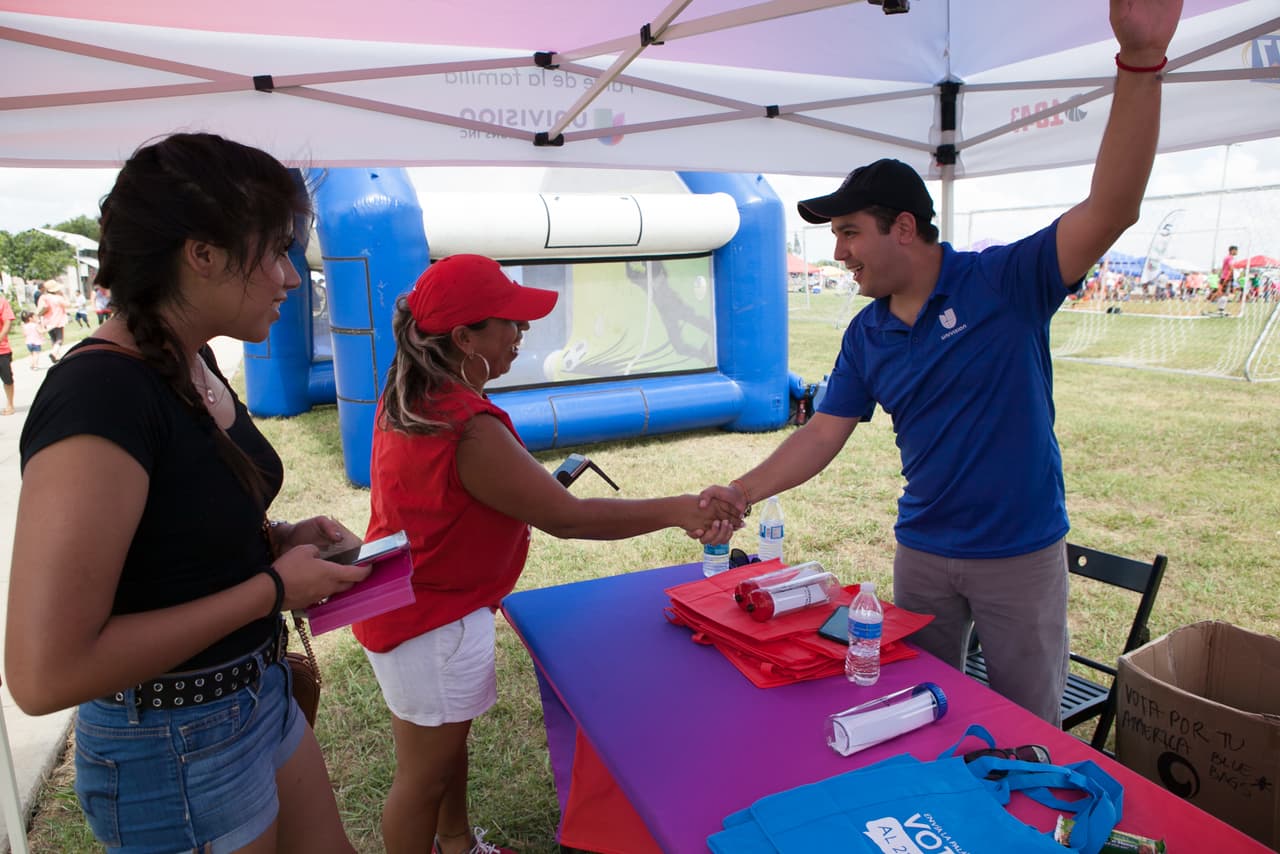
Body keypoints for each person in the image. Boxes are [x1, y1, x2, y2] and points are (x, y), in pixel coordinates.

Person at [699, 0, 1182, 725]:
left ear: (903, 227)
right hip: (922, 553)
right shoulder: (866, 333)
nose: (839, 255)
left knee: (1028, 732)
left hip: (1019, 555)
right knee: (918, 715)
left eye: (850, 233)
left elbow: (1111, 210)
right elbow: (822, 433)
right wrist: (738, 489)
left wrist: (1140, 62)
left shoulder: (1005, 282)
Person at [8, 132, 372, 853]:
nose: (291, 276)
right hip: (172, 742)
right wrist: (271, 589)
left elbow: (167, 543)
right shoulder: (101, 395)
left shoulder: (189, 357)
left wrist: (278, 540)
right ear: (201, 254)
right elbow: (43, 674)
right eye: (273, 249)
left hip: (254, 693)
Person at [351, 254, 736, 854]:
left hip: (413, 607)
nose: (522, 334)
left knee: (445, 751)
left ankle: (455, 843)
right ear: (463, 338)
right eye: (509, 323)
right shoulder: (468, 426)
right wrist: (681, 508)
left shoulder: (412, 396)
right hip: (434, 623)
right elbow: (569, 518)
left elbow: (467, 499)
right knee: (421, 778)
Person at [36, 279, 69, 362]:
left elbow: (40, 309)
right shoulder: (58, 298)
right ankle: (54, 353)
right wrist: (64, 295)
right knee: (59, 339)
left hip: (47, 321)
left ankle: (56, 355)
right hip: (58, 321)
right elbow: (68, 304)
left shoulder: (43, 297)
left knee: (53, 338)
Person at [0, 290, 14, 415]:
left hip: (1, 349)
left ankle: (10, 404)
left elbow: (7, 322)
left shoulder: (2, 302)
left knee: (7, 378)